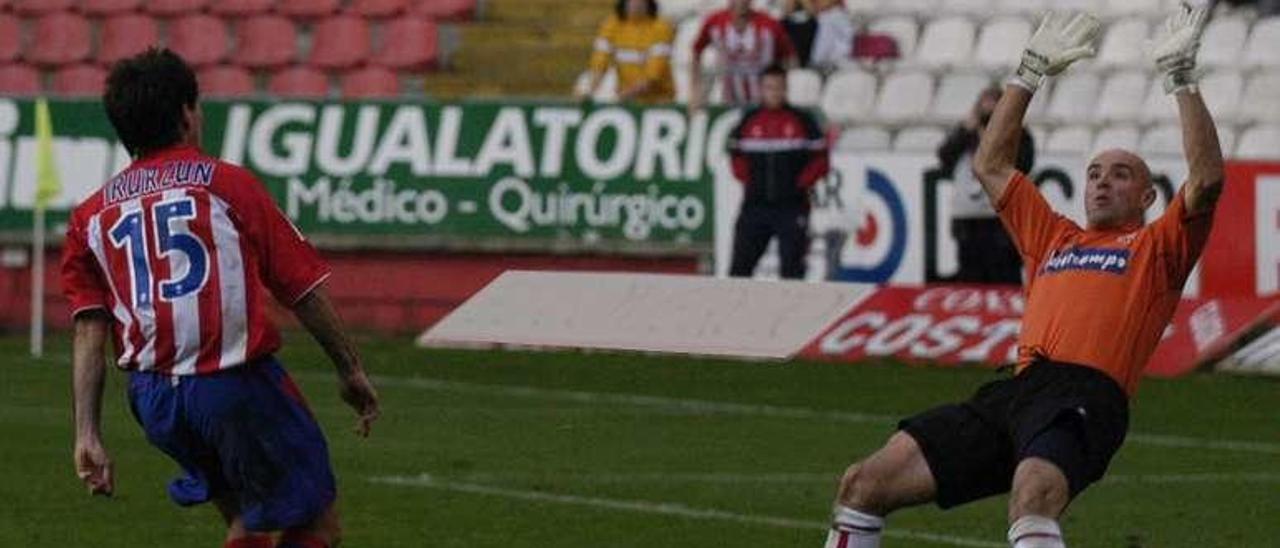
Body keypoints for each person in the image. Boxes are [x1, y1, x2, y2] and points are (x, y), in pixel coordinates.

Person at [823, 5, 1222, 548]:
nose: (1102, 183)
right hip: (1016, 389)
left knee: (1032, 498)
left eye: (1121, 174)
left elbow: (1205, 180)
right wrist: (1027, 73)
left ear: (1149, 197)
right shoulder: (1054, 236)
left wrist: (1181, 80)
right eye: (1094, 174)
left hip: (1087, 393)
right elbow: (990, 164)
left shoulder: (1158, 245)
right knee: (862, 483)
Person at [62, 48, 380, 548]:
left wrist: (87, 433)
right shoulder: (227, 185)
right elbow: (301, 287)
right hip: (230, 383)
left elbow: (88, 330)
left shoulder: (91, 216)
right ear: (187, 113)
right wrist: (350, 368)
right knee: (316, 525)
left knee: (247, 520)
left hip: (154, 400)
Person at [727, 64, 830, 279]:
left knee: (792, 270)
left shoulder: (803, 120)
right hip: (755, 207)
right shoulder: (748, 120)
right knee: (739, 269)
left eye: (778, 88)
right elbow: (735, 155)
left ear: (785, 89)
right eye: (769, 87)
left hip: (791, 208)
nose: (773, 93)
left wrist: (800, 185)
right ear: (761, 90)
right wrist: (750, 182)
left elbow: (821, 160)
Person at [939, 86, 1035, 285]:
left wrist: (1010, 129)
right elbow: (944, 156)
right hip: (968, 217)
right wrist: (965, 130)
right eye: (985, 103)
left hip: (1001, 216)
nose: (989, 110)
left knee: (1005, 274)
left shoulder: (1016, 134)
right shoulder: (966, 136)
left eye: (995, 105)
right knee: (971, 276)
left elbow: (1025, 162)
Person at [689, 0, 797, 111]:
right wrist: (695, 89)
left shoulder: (770, 25)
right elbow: (696, 51)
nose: (741, 2)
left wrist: (777, 88)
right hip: (729, 101)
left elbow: (791, 58)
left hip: (762, 104)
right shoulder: (714, 22)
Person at [578, 0, 676, 103]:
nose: (635, 4)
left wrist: (620, 97)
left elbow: (653, 76)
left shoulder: (660, 28)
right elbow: (600, 63)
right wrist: (590, 91)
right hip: (627, 100)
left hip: (658, 101)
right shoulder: (612, 25)